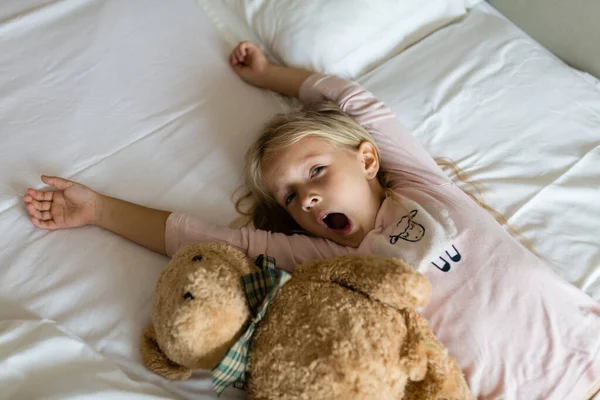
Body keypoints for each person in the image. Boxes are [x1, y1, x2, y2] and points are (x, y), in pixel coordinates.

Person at [23, 41, 599, 399]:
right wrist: (98, 210)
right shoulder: (335, 265)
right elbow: (205, 239)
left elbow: (357, 102)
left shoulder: (424, 187)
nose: (309, 202)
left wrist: (270, 75)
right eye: (294, 198)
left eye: (317, 172)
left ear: (367, 159)